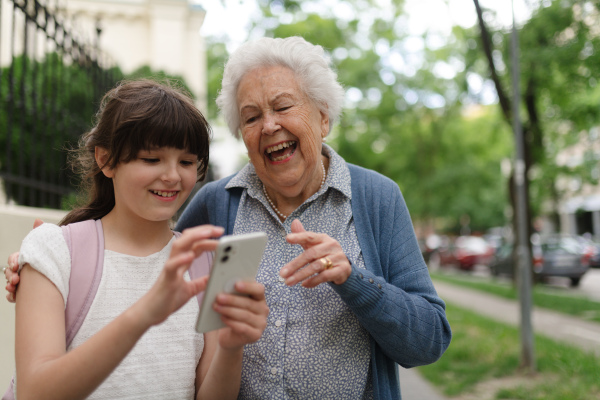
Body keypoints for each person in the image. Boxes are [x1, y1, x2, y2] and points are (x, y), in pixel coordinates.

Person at [6, 36, 451, 399]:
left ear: (322, 117)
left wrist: (354, 279)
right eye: (251, 117)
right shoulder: (216, 206)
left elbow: (429, 340)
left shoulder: (375, 199)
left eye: (282, 107)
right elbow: (141, 244)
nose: (269, 126)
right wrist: (43, 260)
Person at [3, 79, 268, 399]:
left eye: (186, 161)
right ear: (106, 159)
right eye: (151, 159)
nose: (172, 176)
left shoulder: (204, 261)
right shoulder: (53, 249)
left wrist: (231, 344)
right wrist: (145, 313)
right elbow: (36, 392)